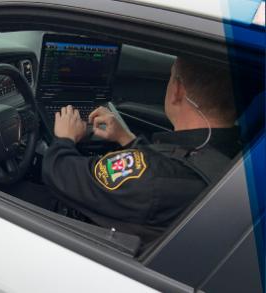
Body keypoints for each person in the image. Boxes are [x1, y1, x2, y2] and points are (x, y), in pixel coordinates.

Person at [41, 57, 242, 244]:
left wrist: (64, 139)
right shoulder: (239, 153)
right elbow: (172, 165)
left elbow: (61, 173)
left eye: (171, 77)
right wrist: (127, 139)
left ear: (178, 91)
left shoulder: (152, 177)